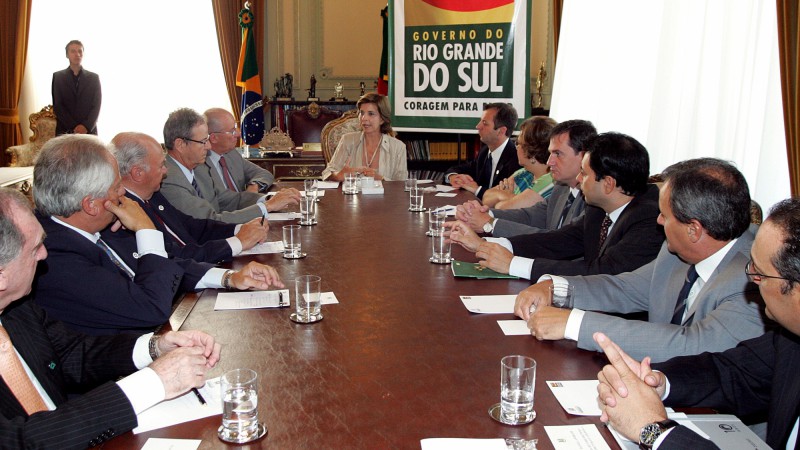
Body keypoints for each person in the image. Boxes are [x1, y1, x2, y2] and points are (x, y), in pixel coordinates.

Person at [0, 186, 221, 448]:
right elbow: (20, 441)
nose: (44, 254)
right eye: (35, 248)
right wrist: (151, 383)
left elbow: (73, 353)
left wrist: (154, 347)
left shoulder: (17, 308)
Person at [513, 158, 767, 362]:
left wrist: (575, 324)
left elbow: (691, 344)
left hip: (721, 417)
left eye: (665, 217)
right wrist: (554, 289)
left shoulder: (755, 277)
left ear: (694, 230)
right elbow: (626, 288)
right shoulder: (675, 253)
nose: (658, 222)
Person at [594, 199, 800, 449]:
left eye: (760, 273)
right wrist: (657, 381)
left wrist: (654, 432)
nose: (752, 280)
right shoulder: (790, 339)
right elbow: (733, 372)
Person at [32, 134, 285, 335]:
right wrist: (146, 229)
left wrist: (230, 277)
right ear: (91, 204)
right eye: (117, 186)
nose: (124, 193)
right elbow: (150, 308)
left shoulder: (90, 226)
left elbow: (167, 263)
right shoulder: (54, 255)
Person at [449, 132, 663, 281]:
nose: (579, 179)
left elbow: (603, 271)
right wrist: (487, 245)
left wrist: (513, 264)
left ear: (608, 184)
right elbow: (559, 240)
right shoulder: (600, 209)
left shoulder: (649, 218)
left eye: (585, 173)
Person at [112, 131, 269, 264]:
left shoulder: (152, 195)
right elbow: (174, 257)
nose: (166, 170)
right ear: (138, 173)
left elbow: (190, 226)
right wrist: (237, 242)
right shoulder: (124, 214)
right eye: (161, 166)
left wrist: (239, 229)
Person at [455, 119, 596, 237]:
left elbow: (559, 240)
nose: (549, 162)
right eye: (550, 153)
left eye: (558, 154)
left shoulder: (593, 200)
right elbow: (530, 216)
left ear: (584, 156)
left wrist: (489, 224)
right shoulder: (562, 188)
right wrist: (485, 213)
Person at [159, 108, 300, 224]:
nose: (208, 147)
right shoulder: (168, 179)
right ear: (180, 145)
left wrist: (269, 199)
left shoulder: (198, 168)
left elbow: (226, 200)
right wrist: (267, 207)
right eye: (203, 142)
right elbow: (209, 220)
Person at [321, 92, 407, 181]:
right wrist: (338, 176)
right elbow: (327, 173)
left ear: (382, 119)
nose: (364, 118)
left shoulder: (398, 147)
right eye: (362, 113)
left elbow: (401, 186)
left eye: (371, 114)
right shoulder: (348, 140)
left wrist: (381, 179)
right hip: (352, 194)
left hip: (386, 195)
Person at [443, 103, 519, 200]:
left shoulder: (516, 159)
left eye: (484, 123)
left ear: (501, 131)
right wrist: (453, 177)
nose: (478, 126)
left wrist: (477, 189)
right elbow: (462, 168)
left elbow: (506, 198)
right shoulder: (485, 151)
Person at [480, 116, 557, 209]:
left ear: (532, 151)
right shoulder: (523, 173)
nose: (516, 147)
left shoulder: (550, 180)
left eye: (518, 143)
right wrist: (509, 198)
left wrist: (503, 196)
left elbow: (501, 208)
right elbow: (486, 198)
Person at [204, 108, 275, 193]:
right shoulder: (199, 164)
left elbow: (264, 174)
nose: (238, 134)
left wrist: (254, 186)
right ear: (214, 138)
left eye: (235, 128)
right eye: (232, 131)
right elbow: (222, 202)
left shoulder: (231, 153)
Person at [51, 40, 101, 136]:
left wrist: (86, 126)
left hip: (88, 130)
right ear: (67, 55)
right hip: (65, 130)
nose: (77, 54)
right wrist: (74, 127)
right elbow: (58, 106)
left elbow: (96, 105)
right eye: (73, 51)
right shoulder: (58, 77)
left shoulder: (94, 78)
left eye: (80, 51)